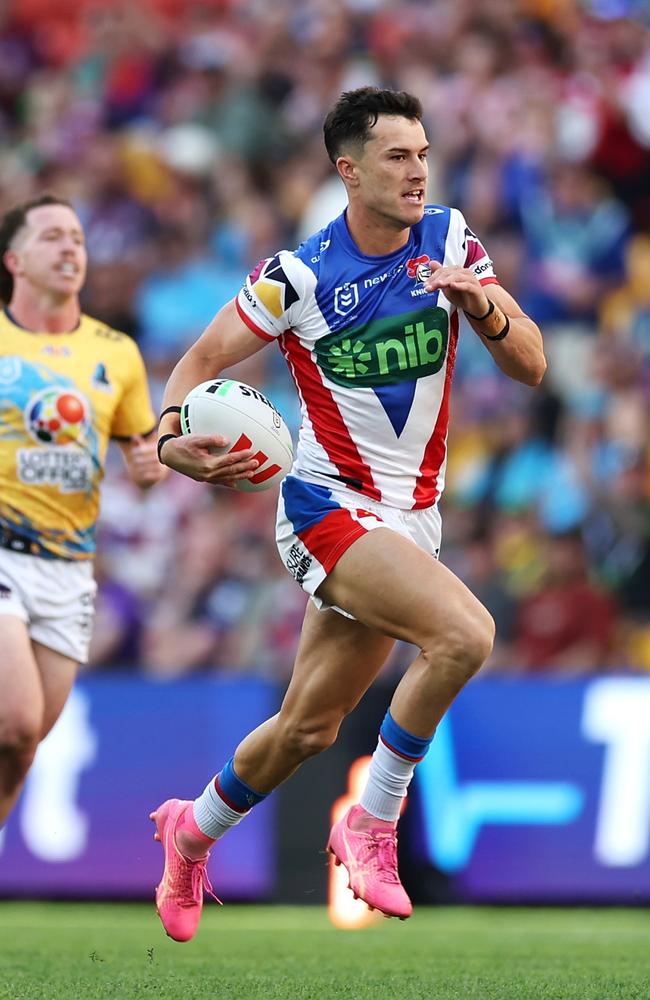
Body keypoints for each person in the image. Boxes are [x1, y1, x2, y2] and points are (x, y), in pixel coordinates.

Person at [152, 87, 546, 941]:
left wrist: (477, 302)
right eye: (399, 156)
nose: (418, 171)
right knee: (464, 636)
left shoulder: (448, 239)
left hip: (413, 519)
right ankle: (372, 823)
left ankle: (191, 833)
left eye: (424, 154)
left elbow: (532, 364)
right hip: (327, 507)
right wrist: (170, 437)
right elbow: (194, 367)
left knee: (306, 728)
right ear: (349, 171)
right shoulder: (295, 276)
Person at [0, 194, 166, 828]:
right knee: (13, 718)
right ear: (14, 259)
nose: (71, 248)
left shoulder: (115, 352)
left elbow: (141, 453)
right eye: (51, 237)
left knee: (19, 747)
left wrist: (151, 468)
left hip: (70, 568)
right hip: (5, 555)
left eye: (77, 237)